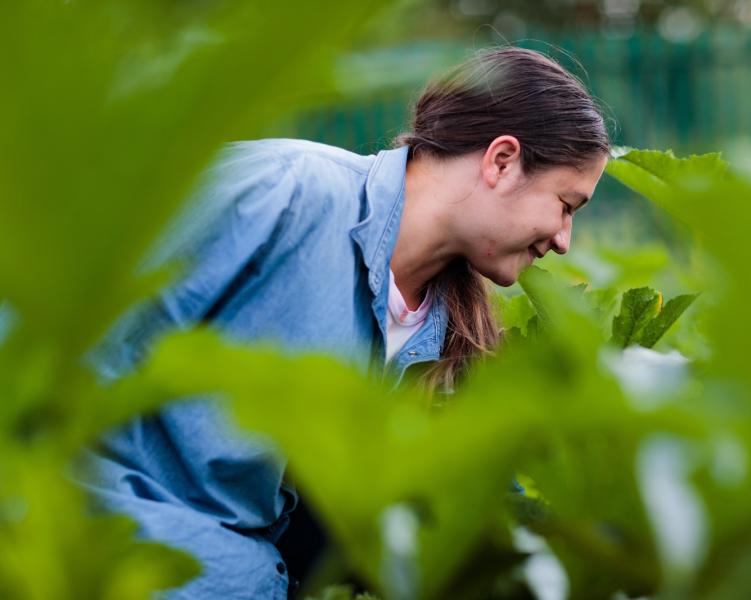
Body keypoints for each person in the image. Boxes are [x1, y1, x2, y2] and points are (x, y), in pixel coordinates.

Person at [82, 46, 609, 599]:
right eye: (566, 205)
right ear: (502, 160)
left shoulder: (448, 330)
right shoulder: (283, 192)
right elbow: (69, 326)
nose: (563, 241)